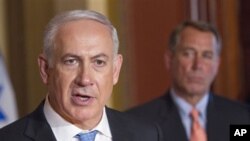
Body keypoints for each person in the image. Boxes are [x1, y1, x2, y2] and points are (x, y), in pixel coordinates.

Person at [0, 10, 160, 141]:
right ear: (45, 69)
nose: (85, 79)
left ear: (115, 70)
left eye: (98, 62)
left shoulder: (147, 135)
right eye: (71, 61)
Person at [127, 21, 250, 141]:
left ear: (217, 64)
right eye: (188, 54)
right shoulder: (138, 122)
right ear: (169, 60)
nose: (198, 65)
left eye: (207, 55)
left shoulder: (243, 118)